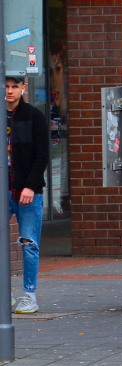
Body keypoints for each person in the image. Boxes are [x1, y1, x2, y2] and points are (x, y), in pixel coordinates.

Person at [6, 75, 48, 314]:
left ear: (23, 88)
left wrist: (31, 186)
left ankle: (29, 295)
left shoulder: (34, 117)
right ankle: (5, 295)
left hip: (27, 191)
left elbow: (42, 155)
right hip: (5, 190)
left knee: (29, 242)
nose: (10, 91)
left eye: (15, 87)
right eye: (7, 87)